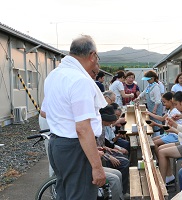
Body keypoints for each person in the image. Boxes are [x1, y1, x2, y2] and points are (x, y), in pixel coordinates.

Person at [41, 35, 107, 199]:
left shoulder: (53, 76)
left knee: (64, 194)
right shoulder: (79, 81)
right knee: (81, 195)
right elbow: (83, 129)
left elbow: (46, 111)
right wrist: (97, 167)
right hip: (75, 148)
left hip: (57, 144)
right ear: (92, 56)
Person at [98, 105, 130, 199]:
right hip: (99, 159)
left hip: (102, 153)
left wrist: (110, 149)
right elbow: (96, 148)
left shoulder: (102, 126)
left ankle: (121, 193)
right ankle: (119, 193)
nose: (112, 123)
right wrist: (109, 155)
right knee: (123, 163)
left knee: (123, 159)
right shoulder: (97, 128)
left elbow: (102, 145)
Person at [146, 92, 182, 156]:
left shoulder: (174, 112)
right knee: (152, 141)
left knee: (154, 143)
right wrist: (149, 113)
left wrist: (155, 124)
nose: (164, 104)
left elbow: (167, 128)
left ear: (170, 101)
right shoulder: (170, 111)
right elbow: (162, 118)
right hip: (170, 134)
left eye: (165, 102)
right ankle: (159, 160)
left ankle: (160, 160)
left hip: (175, 136)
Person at [134, 70, 163, 137]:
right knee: (152, 123)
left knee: (156, 124)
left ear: (152, 78)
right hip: (151, 107)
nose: (147, 81)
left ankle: (157, 137)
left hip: (156, 107)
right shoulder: (149, 86)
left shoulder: (156, 87)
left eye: (148, 79)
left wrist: (154, 110)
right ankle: (154, 137)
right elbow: (144, 93)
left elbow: (158, 100)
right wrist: (138, 98)